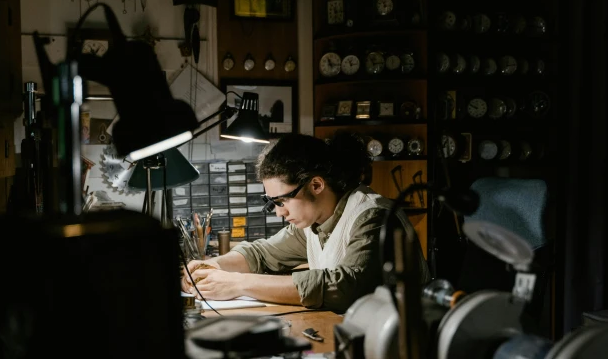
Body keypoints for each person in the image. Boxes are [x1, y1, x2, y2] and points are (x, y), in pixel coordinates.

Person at [180, 131, 430, 313]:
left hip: (402, 346)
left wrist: (239, 283)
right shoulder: (313, 223)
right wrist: (211, 266)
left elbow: (344, 288)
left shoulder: (373, 216)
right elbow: (262, 254)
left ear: (317, 185)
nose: (278, 213)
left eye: (282, 201)